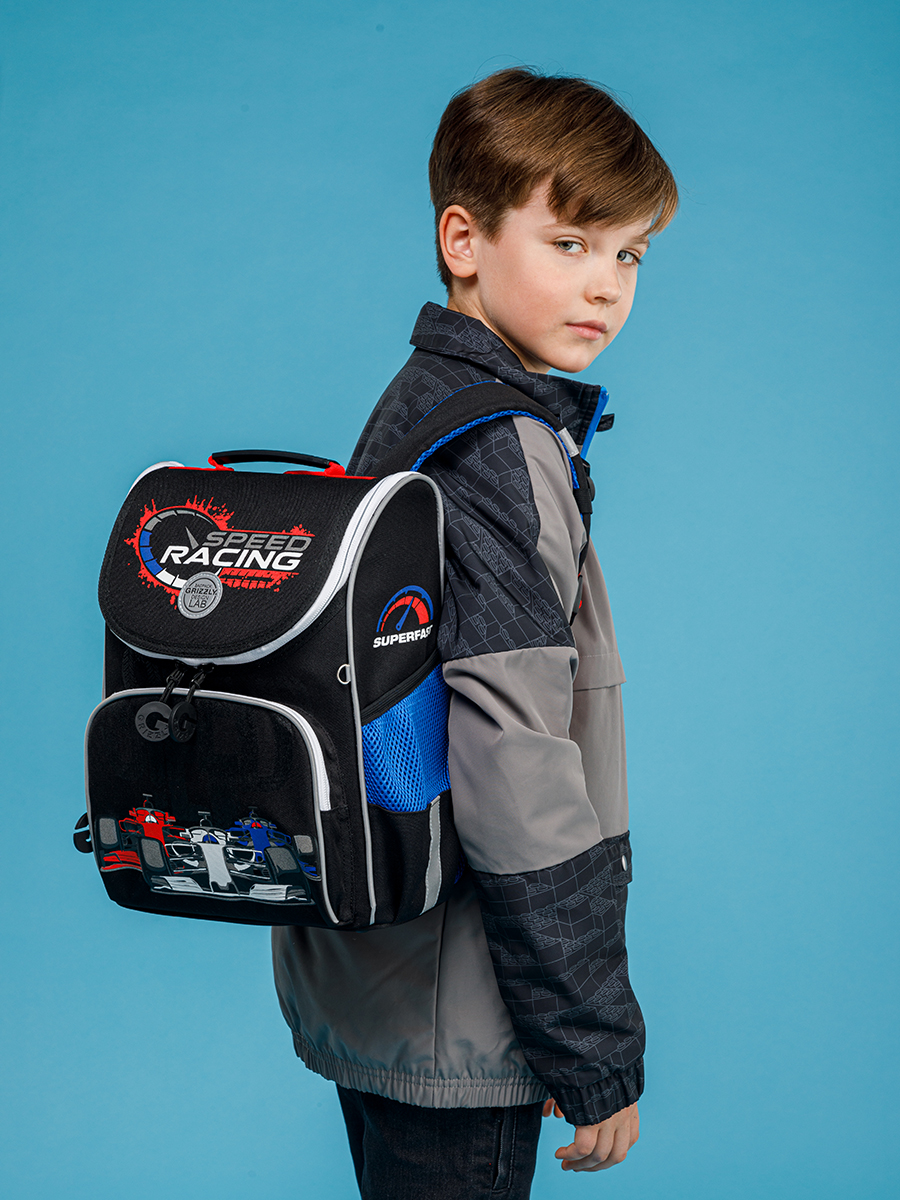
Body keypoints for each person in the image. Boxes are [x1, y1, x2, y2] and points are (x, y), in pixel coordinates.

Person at [272, 67, 678, 1198]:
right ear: (464, 239)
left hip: (376, 974)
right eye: (570, 243)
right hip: (461, 1006)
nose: (604, 285)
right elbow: (514, 764)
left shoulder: (418, 400)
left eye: (630, 255)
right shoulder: (501, 444)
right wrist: (588, 1043)